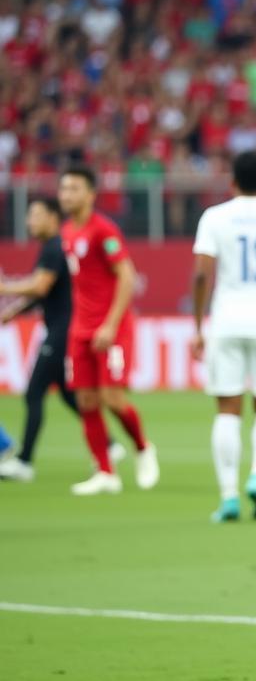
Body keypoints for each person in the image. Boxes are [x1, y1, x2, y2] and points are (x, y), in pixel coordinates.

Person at [190, 151, 256, 522]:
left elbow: (201, 275)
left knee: (227, 410)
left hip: (226, 320)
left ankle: (228, 496)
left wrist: (198, 326)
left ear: (231, 182)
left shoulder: (214, 217)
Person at [58, 167, 159, 496]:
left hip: (110, 327)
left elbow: (127, 276)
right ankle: (105, 472)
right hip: (80, 329)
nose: (66, 194)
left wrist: (110, 324)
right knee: (86, 400)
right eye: (64, 189)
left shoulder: (103, 230)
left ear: (90, 194)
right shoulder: (68, 231)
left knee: (111, 398)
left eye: (74, 188)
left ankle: (143, 448)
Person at [0, 198, 78, 481]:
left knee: (34, 393)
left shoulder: (55, 248)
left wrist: (5, 286)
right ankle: (108, 444)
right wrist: (15, 310)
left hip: (61, 331)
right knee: (69, 393)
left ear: (53, 217)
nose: (28, 221)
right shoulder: (52, 247)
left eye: (35, 215)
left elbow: (40, 285)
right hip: (62, 329)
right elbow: (43, 293)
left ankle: (24, 462)